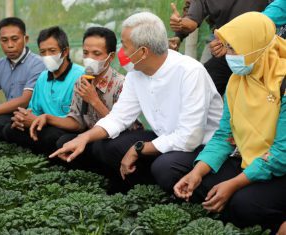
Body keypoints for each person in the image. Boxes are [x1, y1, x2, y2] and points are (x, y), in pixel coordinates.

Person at [50, 12, 223, 191]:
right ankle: (141, 190)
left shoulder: (190, 72)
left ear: (143, 52)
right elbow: (119, 117)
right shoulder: (136, 74)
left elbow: (189, 138)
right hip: (163, 137)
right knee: (106, 146)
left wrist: (138, 149)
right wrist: (83, 138)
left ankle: (167, 195)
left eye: (124, 46)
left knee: (164, 166)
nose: (121, 53)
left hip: (199, 146)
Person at [173, 12, 286, 233]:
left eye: (233, 48)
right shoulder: (237, 80)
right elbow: (224, 134)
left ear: (255, 46)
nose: (227, 55)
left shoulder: (282, 82)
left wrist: (234, 183)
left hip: (279, 167)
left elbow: (281, 154)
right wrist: (197, 172)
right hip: (248, 158)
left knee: (243, 203)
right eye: (227, 47)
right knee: (185, 177)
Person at [28, 27, 126, 156]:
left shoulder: (121, 84)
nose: (89, 58)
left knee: (104, 147)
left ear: (110, 56)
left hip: (115, 138)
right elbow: (77, 123)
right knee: (64, 141)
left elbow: (122, 128)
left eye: (96, 53)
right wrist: (47, 118)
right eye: (86, 53)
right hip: (89, 136)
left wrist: (94, 101)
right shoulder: (81, 81)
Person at [3, 26, 84, 154]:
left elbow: (79, 123)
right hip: (42, 125)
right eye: (43, 52)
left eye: (52, 51)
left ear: (65, 52)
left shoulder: (80, 76)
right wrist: (22, 118)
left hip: (65, 129)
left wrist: (42, 120)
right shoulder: (42, 77)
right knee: (9, 128)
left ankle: (44, 152)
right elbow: (34, 110)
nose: (47, 56)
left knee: (53, 137)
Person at [170, 0, 269, 95]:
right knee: (202, 86)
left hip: (261, 48)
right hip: (224, 47)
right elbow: (191, 17)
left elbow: (276, 11)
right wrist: (180, 29)